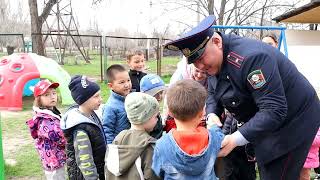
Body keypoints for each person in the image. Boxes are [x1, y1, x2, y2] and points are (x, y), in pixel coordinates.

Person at [164, 15, 320, 179]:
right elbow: (212, 92)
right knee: (265, 159)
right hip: (265, 117)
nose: (200, 67)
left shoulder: (252, 59)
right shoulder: (212, 61)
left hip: (293, 120)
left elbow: (274, 110)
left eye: (201, 58)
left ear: (217, 42)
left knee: (277, 169)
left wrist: (234, 139)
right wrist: (212, 116)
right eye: (194, 62)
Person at [152, 79, 224, 179]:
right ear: (202, 113)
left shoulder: (162, 145)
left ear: (170, 112)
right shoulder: (213, 137)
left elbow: (158, 172)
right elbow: (220, 136)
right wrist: (213, 124)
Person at [105, 92, 161, 180]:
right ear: (145, 117)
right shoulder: (149, 146)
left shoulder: (119, 138)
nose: (157, 120)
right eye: (156, 116)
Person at [61, 75, 106, 180]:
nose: (101, 99)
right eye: (96, 96)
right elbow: (85, 161)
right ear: (83, 100)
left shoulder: (91, 115)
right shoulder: (80, 128)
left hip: (99, 169)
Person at [26, 79, 66, 180]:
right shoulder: (45, 119)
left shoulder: (51, 111)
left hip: (55, 156)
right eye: (47, 95)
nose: (52, 96)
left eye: (54, 93)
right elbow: (60, 138)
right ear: (39, 99)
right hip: (53, 160)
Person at [103, 64, 132, 144]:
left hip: (131, 143)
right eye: (122, 82)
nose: (127, 85)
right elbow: (107, 129)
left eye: (128, 80)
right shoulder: (111, 106)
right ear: (111, 86)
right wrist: (111, 149)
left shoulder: (131, 99)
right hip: (119, 145)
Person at [140, 74, 166, 139]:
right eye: (155, 94)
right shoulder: (144, 113)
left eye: (161, 92)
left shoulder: (154, 107)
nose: (159, 97)